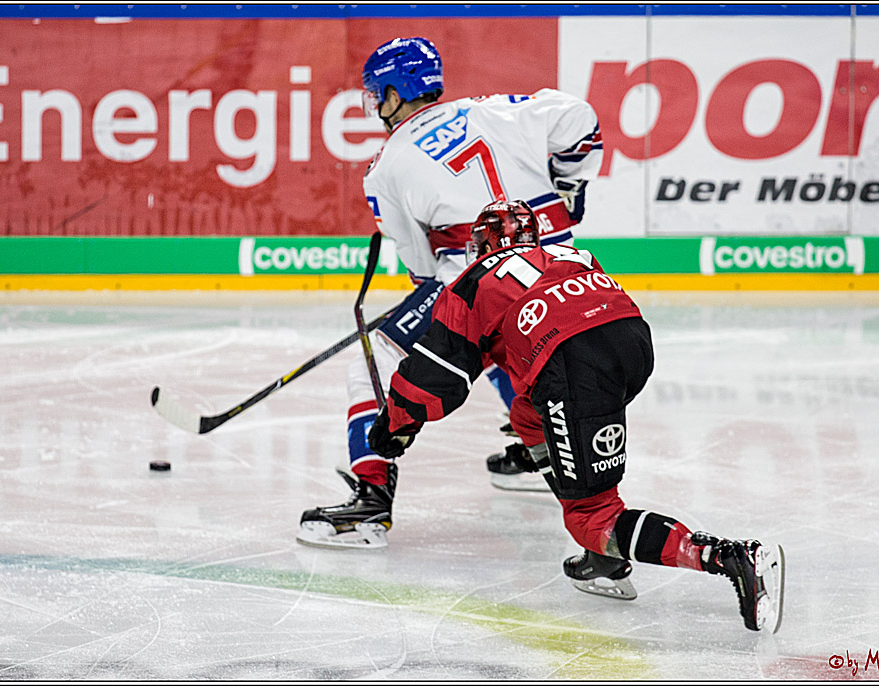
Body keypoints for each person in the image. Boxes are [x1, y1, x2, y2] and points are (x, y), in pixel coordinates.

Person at [364, 200, 786, 633]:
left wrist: (394, 429)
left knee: (591, 516)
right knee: (527, 414)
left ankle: (727, 556)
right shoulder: (570, 254)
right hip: (633, 342)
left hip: (577, 365)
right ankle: (597, 536)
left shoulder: (472, 282)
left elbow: (434, 379)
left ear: (481, 243)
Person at [297, 36, 603, 549]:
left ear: (395, 92)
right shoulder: (496, 110)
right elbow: (580, 117)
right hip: (563, 270)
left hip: (481, 284)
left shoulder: (385, 166)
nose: (377, 107)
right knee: (512, 349)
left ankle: (371, 500)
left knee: (374, 364)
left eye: (378, 95)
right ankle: (538, 451)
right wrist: (571, 186)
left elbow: (423, 271)